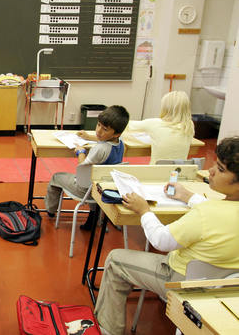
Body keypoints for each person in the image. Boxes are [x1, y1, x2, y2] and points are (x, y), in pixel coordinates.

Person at [94, 136, 239, 335]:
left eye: (221, 169)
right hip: (225, 288)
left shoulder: (206, 214)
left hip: (182, 281)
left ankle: (108, 330)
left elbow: (161, 240)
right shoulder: (214, 210)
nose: (211, 171)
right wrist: (187, 196)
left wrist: (144, 210)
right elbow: (217, 213)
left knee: (115, 260)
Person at [45, 105, 130, 224]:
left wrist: (80, 152)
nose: (99, 131)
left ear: (116, 133)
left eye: (104, 129)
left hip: (86, 191)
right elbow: (105, 140)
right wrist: (89, 137)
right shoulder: (120, 143)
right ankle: (94, 215)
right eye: (98, 125)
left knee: (56, 177)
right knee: (95, 177)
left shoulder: (100, 149)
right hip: (104, 189)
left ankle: (50, 210)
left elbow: (82, 168)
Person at [124, 90, 194, 165]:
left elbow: (126, 124)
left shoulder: (154, 123)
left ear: (165, 108)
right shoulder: (189, 125)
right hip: (178, 173)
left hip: (155, 172)